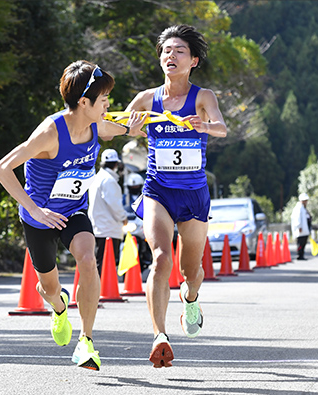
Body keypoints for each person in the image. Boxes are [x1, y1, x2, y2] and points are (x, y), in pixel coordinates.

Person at [0, 60, 147, 371]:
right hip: (40, 218)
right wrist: (35, 209)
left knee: (88, 259)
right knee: (47, 288)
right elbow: (2, 169)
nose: (107, 105)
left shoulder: (96, 125)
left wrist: (133, 128)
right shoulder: (49, 133)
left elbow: (112, 132)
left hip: (74, 211)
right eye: (103, 100)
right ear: (83, 102)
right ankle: (58, 306)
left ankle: (86, 342)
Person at [125, 24, 227, 368]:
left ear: (193, 60)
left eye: (180, 51)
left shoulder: (203, 97)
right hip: (158, 190)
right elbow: (114, 129)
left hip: (194, 194)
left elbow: (222, 128)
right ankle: (160, 335)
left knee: (191, 270)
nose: (171, 55)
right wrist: (130, 127)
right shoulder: (145, 98)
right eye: (166, 50)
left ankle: (192, 298)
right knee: (160, 259)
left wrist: (204, 126)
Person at [88, 148, 128, 275]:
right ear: (116, 164)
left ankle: (98, 290)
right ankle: (103, 290)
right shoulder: (109, 181)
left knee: (99, 260)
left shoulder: (96, 178)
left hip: (97, 226)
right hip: (109, 228)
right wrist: (123, 218)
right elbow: (114, 204)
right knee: (107, 262)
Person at [291, 192, 312, 260]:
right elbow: (298, 218)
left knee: (303, 243)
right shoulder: (298, 208)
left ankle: (302, 255)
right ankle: (299, 255)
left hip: (304, 229)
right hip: (301, 229)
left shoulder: (303, 208)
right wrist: (299, 226)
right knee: (300, 243)